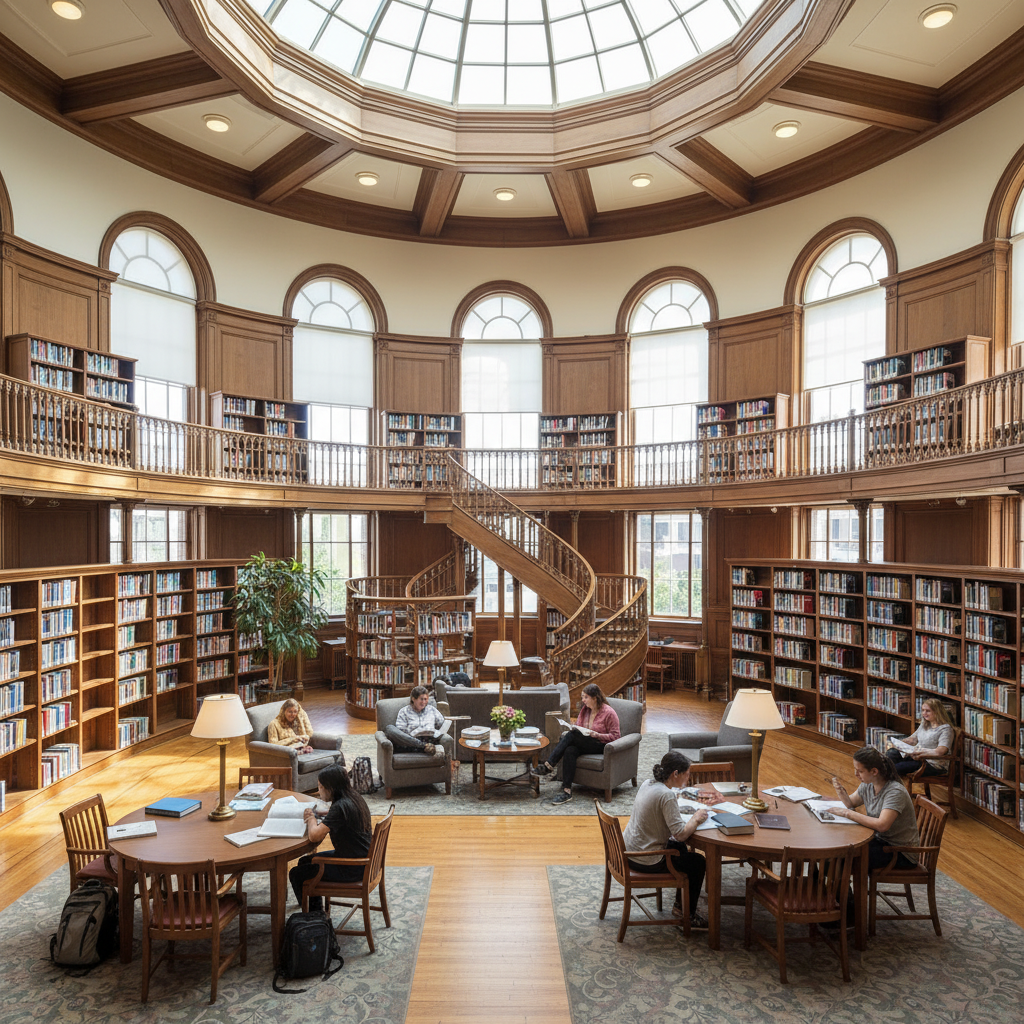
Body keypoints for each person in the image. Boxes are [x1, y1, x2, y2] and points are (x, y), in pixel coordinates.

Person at [621, 750, 710, 931]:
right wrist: (696, 818)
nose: (688, 778)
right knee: (698, 862)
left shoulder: (648, 783)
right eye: (686, 774)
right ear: (675, 774)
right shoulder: (666, 796)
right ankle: (687, 914)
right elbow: (681, 834)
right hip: (645, 859)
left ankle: (681, 906)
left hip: (629, 849)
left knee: (681, 850)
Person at [289, 764, 372, 912]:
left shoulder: (340, 807)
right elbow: (336, 815)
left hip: (352, 867)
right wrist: (322, 814)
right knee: (304, 862)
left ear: (331, 788)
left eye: (320, 786)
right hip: (360, 859)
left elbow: (314, 836)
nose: (318, 790)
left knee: (296, 874)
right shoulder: (353, 797)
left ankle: (314, 915)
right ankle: (313, 908)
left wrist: (310, 819)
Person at [831, 746, 921, 870]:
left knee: (843, 858)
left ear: (874, 771)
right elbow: (851, 803)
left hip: (900, 852)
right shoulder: (868, 784)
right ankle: (831, 887)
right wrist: (841, 792)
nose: (855, 774)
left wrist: (848, 814)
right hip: (880, 842)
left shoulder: (895, 791)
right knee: (837, 848)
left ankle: (842, 889)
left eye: (860, 771)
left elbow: (882, 825)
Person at [531, 683, 620, 805]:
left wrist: (597, 735)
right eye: (582, 697)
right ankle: (566, 791)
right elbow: (578, 727)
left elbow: (616, 736)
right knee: (570, 750)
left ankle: (548, 765)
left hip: (601, 745)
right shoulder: (585, 710)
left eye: (586, 697)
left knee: (571, 735)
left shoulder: (609, 712)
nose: (583, 700)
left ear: (595, 698)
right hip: (586, 743)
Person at [885, 698, 955, 777]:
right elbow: (912, 740)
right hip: (918, 757)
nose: (924, 713)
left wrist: (920, 752)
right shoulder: (925, 723)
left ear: (937, 712)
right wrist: (898, 744)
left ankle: (888, 785)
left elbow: (940, 751)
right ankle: (888, 783)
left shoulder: (945, 729)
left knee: (896, 768)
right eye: (923, 710)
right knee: (892, 754)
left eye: (928, 711)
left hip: (932, 764)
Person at [385, 685, 446, 756]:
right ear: (413, 699)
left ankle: (425, 746)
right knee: (389, 728)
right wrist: (413, 733)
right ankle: (423, 746)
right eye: (421, 699)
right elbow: (401, 731)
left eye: (426, 699)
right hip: (410, 742)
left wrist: (439, 731)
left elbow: (442, 725)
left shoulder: (432, 710)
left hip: (429, 740)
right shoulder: (404, 711)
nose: (424, 702)